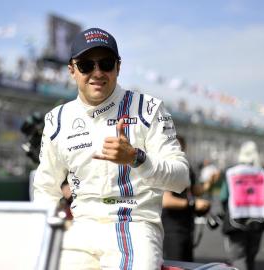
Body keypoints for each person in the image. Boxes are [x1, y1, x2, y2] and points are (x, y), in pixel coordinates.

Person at [32, 27, 190, 270]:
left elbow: (181, 179)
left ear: (118, 66)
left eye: (105, 63)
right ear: (72, 70)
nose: (97, 73)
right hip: (80, 228)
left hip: (134, 223)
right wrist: (49, 231)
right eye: (86, 65)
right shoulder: (57, 118)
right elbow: (45, 187)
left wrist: (137, 158)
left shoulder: (149, 109)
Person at [162, 135, 216, 262]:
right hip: (172, 229)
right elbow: (166, 200)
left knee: (187, 264)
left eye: (182, 148)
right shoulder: (167, 167)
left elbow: (194, 190)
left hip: (187, 227)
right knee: (176, 265)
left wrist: (210, 183)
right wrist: (193, 204)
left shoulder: (185, 167)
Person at [220, 141, 264, 270]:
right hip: (257, 221)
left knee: (238, 257)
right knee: (251, 256)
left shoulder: (232, 172)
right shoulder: (261, 173)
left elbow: (223, 196)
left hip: (235, 221)